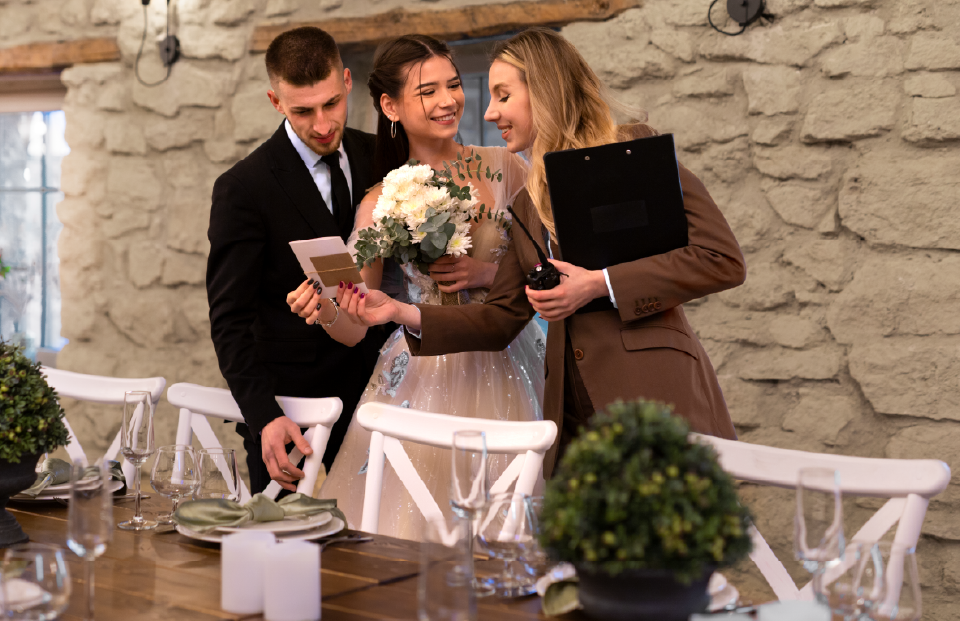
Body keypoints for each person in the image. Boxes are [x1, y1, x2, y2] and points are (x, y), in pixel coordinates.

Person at [336, 27, 746, 476]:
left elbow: (719, 258)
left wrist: (598, 284)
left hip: (651, 392)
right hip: (567, 410)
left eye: (503, 96)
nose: (489, 112)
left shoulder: (628, 148)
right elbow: (498, 318)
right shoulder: (527, 202)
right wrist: (399, 311)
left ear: (543, 91)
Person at [285, 35, 546, 539]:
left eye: (452, 85)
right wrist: (324, 309)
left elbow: (550, 265)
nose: (448, 100)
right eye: (428, 91)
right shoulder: (379, 199)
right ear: (390, 105)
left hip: (511, 355)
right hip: (421, 375)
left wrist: (491, 276)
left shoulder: (505, 167)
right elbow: (355, 327)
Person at [207, 27, 391, 495]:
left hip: (382, 399)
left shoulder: (384, 158)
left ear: (348, 81)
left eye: (331, 103)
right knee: (282, 557)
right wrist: (264, 415)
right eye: (303, 111)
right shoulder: (243, 188)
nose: (324, 123)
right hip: (291, 412)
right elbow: (229, 320)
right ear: (275, 101)